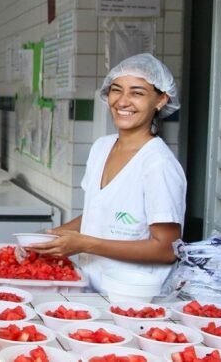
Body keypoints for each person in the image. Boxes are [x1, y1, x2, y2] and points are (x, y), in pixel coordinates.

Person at [29, 53, 186, 293]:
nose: (123, 101)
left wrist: (85, 244)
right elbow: (98, 213)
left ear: (161, 100)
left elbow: (166, 250)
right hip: (93, 288)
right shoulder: (102, 147)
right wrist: (49, 237)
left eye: (137, 93)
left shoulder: (158, 164)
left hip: (135, 297)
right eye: (116, 90)